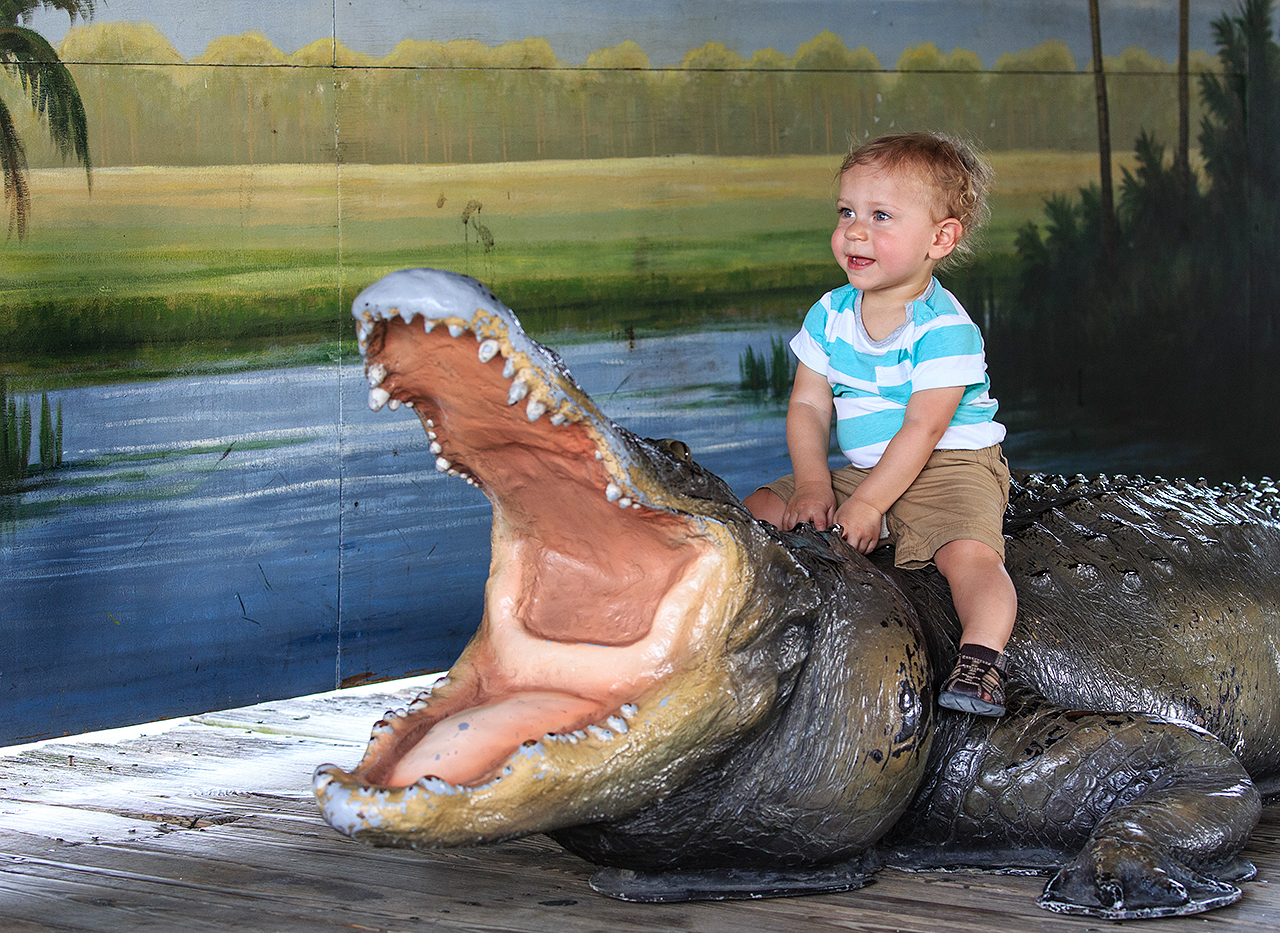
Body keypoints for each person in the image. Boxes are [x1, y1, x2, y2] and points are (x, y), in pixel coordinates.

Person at [743, 132, 1017, 717]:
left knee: (968, 554)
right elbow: (809, 407)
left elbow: (923, 428)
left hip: (949, 466)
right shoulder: (831, 313)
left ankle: (982, 659)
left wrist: (867, 507)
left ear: (940, 239)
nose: (855, 232)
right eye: (847, 212)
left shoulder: (944, 327)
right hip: (868, 467)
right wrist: (815, 485)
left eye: (881, 216)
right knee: (760, 508)